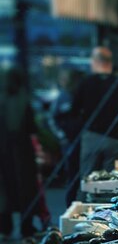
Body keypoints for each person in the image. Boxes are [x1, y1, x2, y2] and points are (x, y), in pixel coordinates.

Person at [72, 46, 118, 182]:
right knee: (112, 182)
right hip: (115, 139)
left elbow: (74, 111)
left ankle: (84, 202)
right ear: (110, 63)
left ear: (95, 61)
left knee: (87, 180)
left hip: (91, 137)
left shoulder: (85, 83)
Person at [0, 67, 47, 238]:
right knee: (25, 188)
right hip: (22, 150)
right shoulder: (24, 98)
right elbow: (32, 127)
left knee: (4, 189)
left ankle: (5, 227)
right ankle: (26, 227)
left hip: (2, 150)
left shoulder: (2, 96)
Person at [49, 67, 83, 206]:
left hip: (80, 139)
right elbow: (53, 118)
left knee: (79, 174)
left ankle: (76, 202)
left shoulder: (79, 95)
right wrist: (62, 136)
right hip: (69, 141)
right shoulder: (63, 97)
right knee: (73, 173)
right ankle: (71, 203)